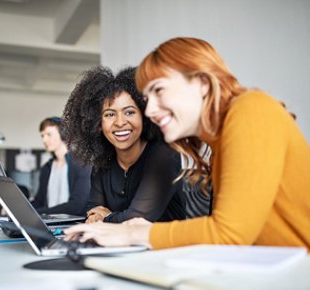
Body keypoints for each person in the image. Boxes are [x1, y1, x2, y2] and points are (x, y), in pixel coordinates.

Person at [64, 37, 310, 250]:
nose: (149, 110)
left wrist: (135, 232)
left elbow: (229, 234)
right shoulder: (219, 143)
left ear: (203, 83)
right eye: (148, 99)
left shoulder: (251, 110)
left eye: (159, 91)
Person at [63, 66, 188, 224]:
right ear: (98, 122)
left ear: (145, 115)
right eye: (109, 114)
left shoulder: (164, 155)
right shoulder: (103, 162)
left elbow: (138, 219)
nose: (120, 122)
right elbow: (93, 210)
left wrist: (107, 217)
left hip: (165, 247)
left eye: (129, 112)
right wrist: (98, 216)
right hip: (119, 246)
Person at [31, 117, 91, 216]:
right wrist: (19, 211)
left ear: (63, 134)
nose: (44, 140)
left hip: (72, 225)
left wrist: (38, 213)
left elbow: (76, 206)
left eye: (49, 134)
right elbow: (39, 201)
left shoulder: (82, 164)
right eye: (42, 136)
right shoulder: (46, 168)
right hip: (49, 223)